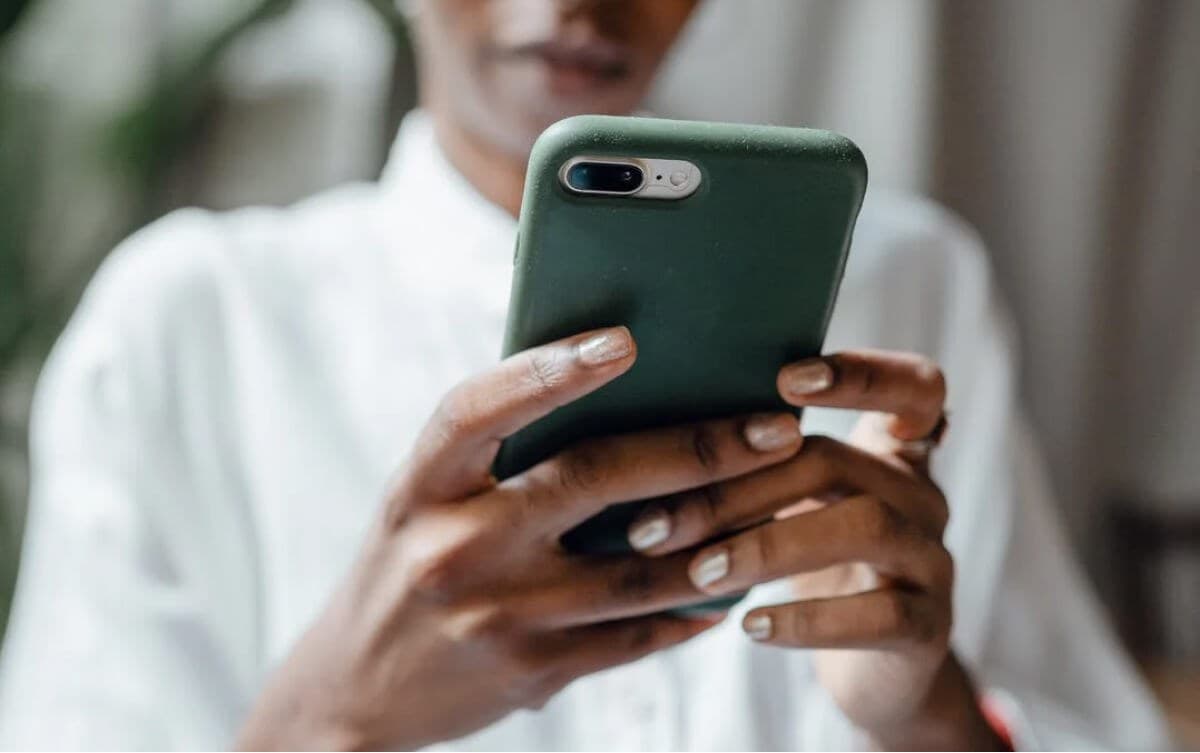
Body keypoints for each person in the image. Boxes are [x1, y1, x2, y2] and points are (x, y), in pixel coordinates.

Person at [0, 0, 1171, 749]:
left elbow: (1088, 723)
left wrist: (928, 715)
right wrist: (334, 719)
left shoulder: (909, 284)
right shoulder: (191, 323)